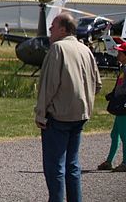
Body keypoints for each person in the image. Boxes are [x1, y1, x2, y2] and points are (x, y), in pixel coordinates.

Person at [35, 13, 102, 202]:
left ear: (63, 29)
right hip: (80, 116)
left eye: (53, 27)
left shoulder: (57, 49)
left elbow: (48, 86)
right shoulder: (85, 49)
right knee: (73, 165)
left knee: (55, 166)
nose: (50, 30)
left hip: (59, 117)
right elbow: (97, 84)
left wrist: (41, 114)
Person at [98, 43, 126, 172]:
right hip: (119, 105)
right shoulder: (123, 68)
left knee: (124, 135)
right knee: (115, 134)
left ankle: (125, 163)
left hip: (124, 106)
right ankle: (109, 161)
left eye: (121, 52)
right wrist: (112, 95)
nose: (118, 54)